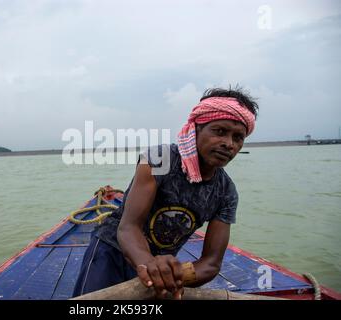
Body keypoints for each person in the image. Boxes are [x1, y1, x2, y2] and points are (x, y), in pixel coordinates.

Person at [72, 86, 259, 299]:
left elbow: (211, 263)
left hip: (161, 268)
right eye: (219, 131)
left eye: (238, 138)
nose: (229, 144)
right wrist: (151, 265)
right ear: (196, 129)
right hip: (111, 251)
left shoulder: (226, 192)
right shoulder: (160, 159)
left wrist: (176, 276)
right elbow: (128, 228)